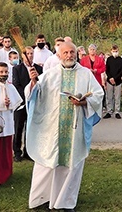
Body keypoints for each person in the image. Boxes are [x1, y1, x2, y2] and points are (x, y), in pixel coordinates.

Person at [25, 42, 104, 210]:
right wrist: (33, 83)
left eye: (72, 52)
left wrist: (84, 102)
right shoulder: (50, 74)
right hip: (51, 128)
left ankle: (65, 202)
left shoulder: (86, 75)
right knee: (46, 162)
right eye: (65, 52)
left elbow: (98, 94)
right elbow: (34, 94)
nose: (69, 55)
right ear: (58, 55)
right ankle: (41, 199)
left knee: (72, 164)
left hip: (75, 129)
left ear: (76, 54)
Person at [0, 62, 22, 187]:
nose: (4, 74)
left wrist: (9, 103)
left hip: (7, 121)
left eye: (6, 72)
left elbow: (17, 103)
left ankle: (7, 172)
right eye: (1, 72)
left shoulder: (11, 87)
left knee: (6, 148)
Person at [13, 46, 41, 162]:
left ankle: (28, 152)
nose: (30, 55)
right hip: (21, 102)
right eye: (27, 54)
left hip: (33, 103)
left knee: (30, 128)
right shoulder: (17, 69)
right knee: (18, 127)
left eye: (31, 53)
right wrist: (26, 97)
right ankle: (17, 151)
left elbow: (40, 83)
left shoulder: (38, 68)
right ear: (23, 55)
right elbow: (17, 85)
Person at [104, 45, 122, 119]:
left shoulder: (121, 60)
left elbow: (121, 71)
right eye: (113, 51)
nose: (115, 52)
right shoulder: (109, 59)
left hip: (118, 81)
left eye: (116, 51)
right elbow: (107, 70)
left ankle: (117, 112)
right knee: (109, 97)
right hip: (110, 80)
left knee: (117, 97)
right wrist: (110, 78)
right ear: (111, 51)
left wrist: (115, 78)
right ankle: (109, 111)